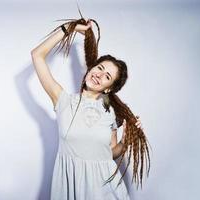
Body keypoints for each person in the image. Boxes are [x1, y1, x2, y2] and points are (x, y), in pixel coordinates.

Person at [31, 18, 150, 200]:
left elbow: (110, 152)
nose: (99, 75)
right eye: (99, 68)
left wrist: (125, 142)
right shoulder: (63, 100)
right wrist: (70, 29)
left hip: (106, 192)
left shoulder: (110, 112)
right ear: (90, 68)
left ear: (108, 88)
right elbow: (37, 55)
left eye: (107, 76)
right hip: (70, 189)